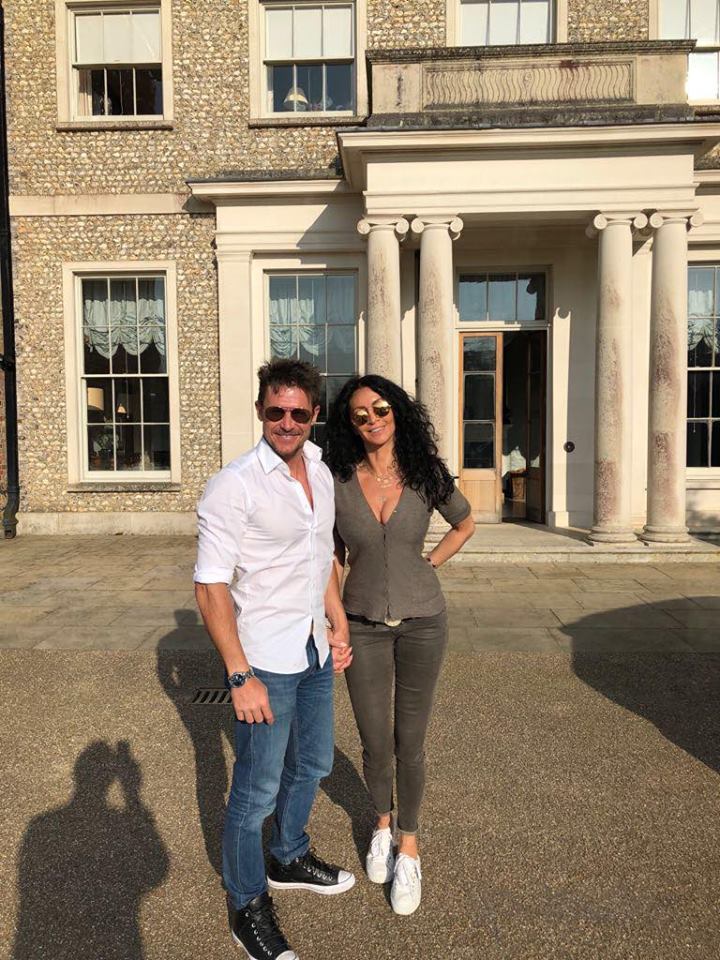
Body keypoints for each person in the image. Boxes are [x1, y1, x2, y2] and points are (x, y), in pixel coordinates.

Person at [194, 358, 355, 960]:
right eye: (275, 411)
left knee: (312, 762)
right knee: (255, 791)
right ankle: (246, 904)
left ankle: (287, 855)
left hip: (312, 648)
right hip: (264, 657)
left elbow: (321, 557)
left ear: (314, 415)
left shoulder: (320, 469)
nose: (286, 422)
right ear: (260, 410)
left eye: (298, 413)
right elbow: (210, 586)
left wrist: (336, 620)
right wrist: (239, 676)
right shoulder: (234, 484)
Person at [326, 375, 475, 916]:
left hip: (423, 624)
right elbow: (331, 556)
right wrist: (335, 620)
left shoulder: (425, 472)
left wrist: (429, 562)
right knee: (374, 740)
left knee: (410, 741)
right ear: (349, 424)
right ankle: (382, 826)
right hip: (361, 624)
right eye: (360, 414)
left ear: (397, 412)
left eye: (381, 408)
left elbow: (464, 524)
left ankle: (409, 846)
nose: (373, 420)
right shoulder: (337, 480)